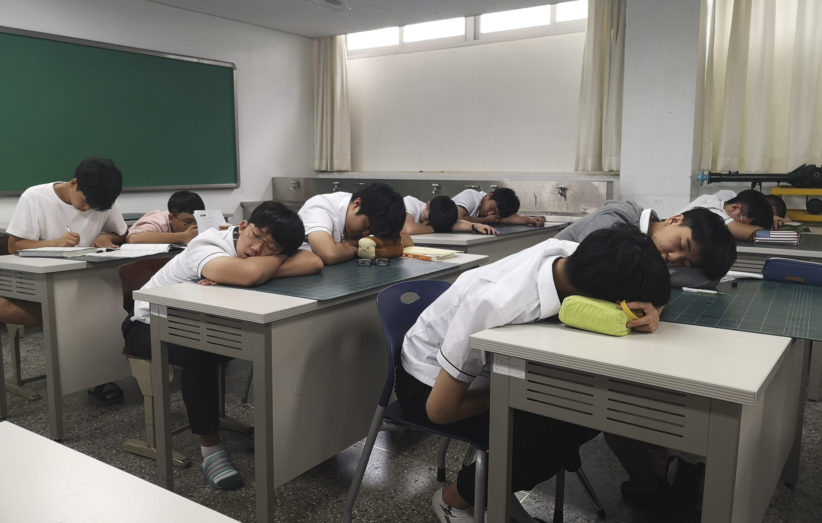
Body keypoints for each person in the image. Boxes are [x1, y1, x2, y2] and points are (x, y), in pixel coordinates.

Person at [396, 225, 672, 523]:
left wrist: (654, 311)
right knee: (558, 428)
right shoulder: (494, 305)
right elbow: (439, 410)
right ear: (599, 300)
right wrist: (528, 389)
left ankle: (491, 493)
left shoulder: (574, 258)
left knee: (585, 415)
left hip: (481, 375)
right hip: (426, 383)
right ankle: (455, 500)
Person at [122, 201, 323, 490]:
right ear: (243, 226)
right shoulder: (208, 243)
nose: (256, 249)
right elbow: (249, 275)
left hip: (199, 324)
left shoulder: (253, 254)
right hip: (146, 325)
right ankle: (211, 449)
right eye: (256, 237)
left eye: (271, 247)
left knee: (276, 340)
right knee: (199, 352)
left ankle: (281, 428)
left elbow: (314, 261)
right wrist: (257, 268)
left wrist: (258, 269)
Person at [2, 157, 129, 405]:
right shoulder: (35, 197)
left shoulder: (103, 200)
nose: (87, 210)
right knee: (74, 313)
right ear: (74, 183)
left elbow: (121, 234)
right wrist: (54, 243)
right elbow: (13, 245)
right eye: (84, 204)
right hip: (41, 285)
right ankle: (92, 374)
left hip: (87, 284)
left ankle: (98, 374)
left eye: (95, 209)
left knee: (104, 306)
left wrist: (107, 237)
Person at [298, 183, 406, 265]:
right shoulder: (319, 206)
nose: (365, 234)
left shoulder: (371, 212)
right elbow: (329, 254)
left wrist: (349, 245)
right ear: (356, 205)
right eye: (366, 225)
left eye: (372, 232)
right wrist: (360, 249)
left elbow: (406, 239)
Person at [678, 189, 774, 240]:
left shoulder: (725, 199)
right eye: (743, 224)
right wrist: (767, 230)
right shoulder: (711, 212)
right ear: (735, 208)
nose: (741, 227)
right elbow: (751, 234)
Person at [127, 190, 205, 244]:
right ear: (171, 218)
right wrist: (184, 236)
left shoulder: (205, 219)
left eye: (198, 221)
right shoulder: (158, 221)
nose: (195, 226)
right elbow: (134, 239)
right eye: (188, 222)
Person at [401, 195, 497, 236]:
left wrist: (475, 226)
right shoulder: (410, 203)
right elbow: (408, 229)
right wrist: (439, 227)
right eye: (426, 218)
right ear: (428, 204)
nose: (425, 223)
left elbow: (455, 223)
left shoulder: (440, 217)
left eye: (429, 222)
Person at [452, 187, 545, 226]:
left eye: (495, 214)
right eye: (492, 208)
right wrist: (484, 221)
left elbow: (510, 218)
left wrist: (531, 220)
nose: (490, 214)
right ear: (489, 195)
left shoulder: (493, 214)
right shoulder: (470, 196)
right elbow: (457, 218)